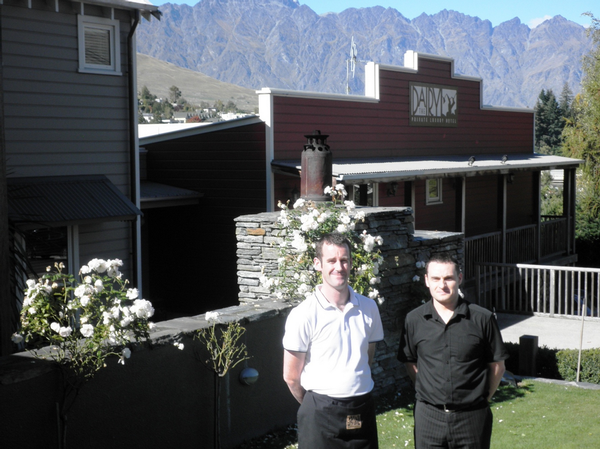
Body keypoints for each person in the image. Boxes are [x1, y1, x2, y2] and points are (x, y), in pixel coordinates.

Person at [282, 232, 384, 449]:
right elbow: (291, 377)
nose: (339, 267)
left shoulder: (369, 308)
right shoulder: (303, 314)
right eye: (331, 260)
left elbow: (368, 356)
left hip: (361, 408)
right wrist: (317, 405)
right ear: (318, 264)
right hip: (320, 412)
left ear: (350, 263)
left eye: (344, 260)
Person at [398, 253, 508, 449]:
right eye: (436, 279)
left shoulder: (483, 319)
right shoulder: (413, 320)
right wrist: (429, 393)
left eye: (448, 278)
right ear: (426, 281)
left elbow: (497, 366)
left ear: (459, 278)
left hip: (472, 418)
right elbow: (410, 363)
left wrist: (482, 399)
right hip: (428, 418)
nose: (442, 285)